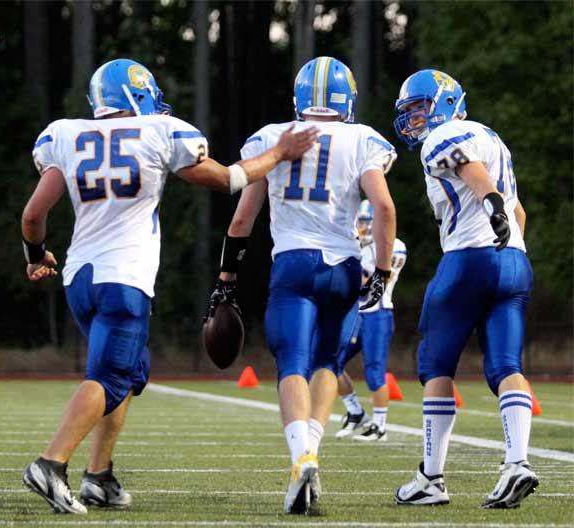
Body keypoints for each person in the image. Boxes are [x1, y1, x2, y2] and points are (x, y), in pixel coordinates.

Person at [21, 58, 317, 515]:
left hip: (80, 279)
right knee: (109, 376)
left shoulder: (65, 135)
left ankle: (98, 476)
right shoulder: (159, 130)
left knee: (131, 371)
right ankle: (49, 464)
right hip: (125, 278)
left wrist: (36, 255)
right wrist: (278, 153)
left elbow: (33, 217)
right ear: (137, 96)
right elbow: (228, 179)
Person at [205, 56, 397, 514]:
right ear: (347, 98)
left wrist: (226, 280)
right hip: (345, 267)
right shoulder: (362, 139)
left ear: (300, 97)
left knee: (292, 361)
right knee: (328, 361)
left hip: (293, 262)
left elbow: (241, 220)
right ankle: (313, 449)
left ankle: (301, 457)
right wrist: (384, 271)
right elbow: (384, 209)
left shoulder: (274, 137)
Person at [392, 69, 537, 508]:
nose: (414, 118)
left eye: (419, 107)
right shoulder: (493, 137)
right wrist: (509, 237)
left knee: (435, 365)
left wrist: (490, 205)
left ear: (445, 102)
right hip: (514, 258)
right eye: (411, 111)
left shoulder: (447, 135)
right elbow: (520, 211)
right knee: (506, 364)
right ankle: (516, 462)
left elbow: (469, 169)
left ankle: (431, 478)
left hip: (468, 259)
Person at [335, 200, 407, 442]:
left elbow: (373, 285)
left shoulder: (392, 246)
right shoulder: (357, 246)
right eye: (361, 221)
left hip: (378, 313)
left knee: (375, 373)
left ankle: (380, 426)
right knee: (330, 363)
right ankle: (355, 412)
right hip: (356, 314)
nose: (363, 226)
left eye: (368, 221)